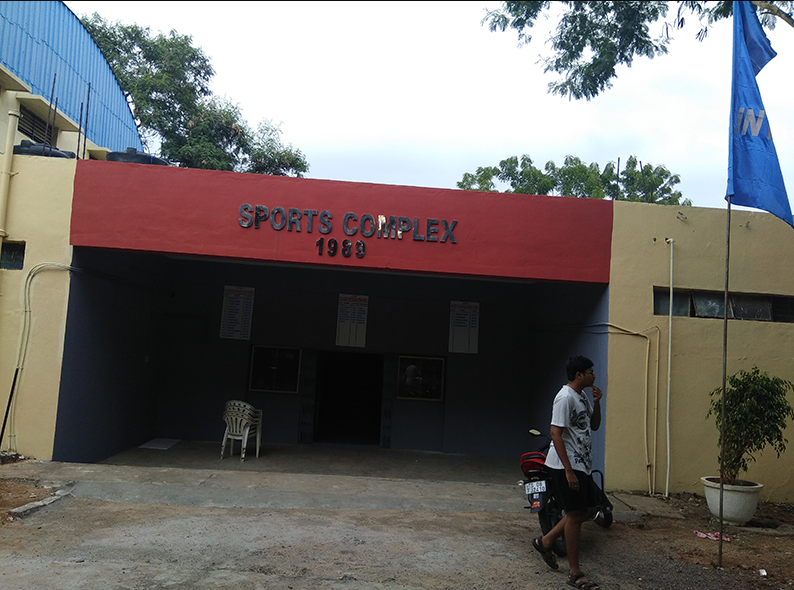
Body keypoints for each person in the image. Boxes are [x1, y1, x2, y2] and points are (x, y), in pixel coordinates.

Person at [532, 355, 603, 590]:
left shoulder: (581, 396)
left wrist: (597, 402)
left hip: (582, 464)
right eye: (590, 372)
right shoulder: (564, 398)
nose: (594, 376)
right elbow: (555, 433)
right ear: (579, 375)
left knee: (590, 509)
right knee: (574, 515)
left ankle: (546, 541)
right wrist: (569, 471)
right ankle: (575, 573)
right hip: (566, 465)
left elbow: (593, 426)